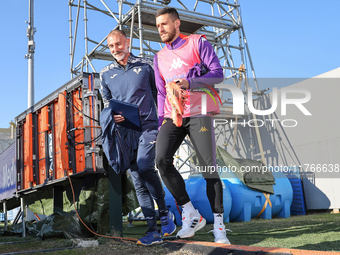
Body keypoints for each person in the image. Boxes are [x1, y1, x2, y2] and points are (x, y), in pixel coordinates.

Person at [154, 7, 231, 244]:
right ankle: (191, 213)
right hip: (173, 115)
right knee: (161, 160)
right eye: (158, 26)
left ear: (177, 24)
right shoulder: (159, 58)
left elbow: (218, 74)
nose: (161, 30)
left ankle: (219, 227)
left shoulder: (197, 43)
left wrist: (190, 81)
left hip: (199, 112)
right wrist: (161, 122)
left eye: (165, 24)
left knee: (209, 168)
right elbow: (160, 92)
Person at [100, 29, 176, 246]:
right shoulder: (105, 73)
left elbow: (158, 94)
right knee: (138, 182)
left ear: (128, 42)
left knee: (144, 165)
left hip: (148, 127)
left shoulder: (146, 65)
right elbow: (107, 104)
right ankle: (153, 230)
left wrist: (163, 120)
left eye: (119, 44)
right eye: (111, 46)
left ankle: (164, 212)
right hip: (125, 134)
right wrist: (112, 116)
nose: (116, 49)